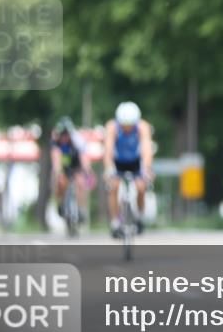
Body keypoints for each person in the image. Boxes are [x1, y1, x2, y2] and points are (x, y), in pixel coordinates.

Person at [103, 101, 154, 238]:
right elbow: (108, 150)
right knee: (113, 186)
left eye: (130, 125)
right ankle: (115, 222)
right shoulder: (112, 127)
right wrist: (108, 168)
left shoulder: (143, 127)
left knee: (141, 187)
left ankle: (140, 217)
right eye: (124, 125)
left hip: (136, 162)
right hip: (118, 161)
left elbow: (147, 149)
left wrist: (147, 169)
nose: (127, 128)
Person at [51, 117, 92, 222]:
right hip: (63, 166)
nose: (64, 137)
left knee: (81, 183)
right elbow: (56, 158)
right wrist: (58, 173)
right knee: (60, 182)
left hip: (75, 164)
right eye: (62, 135)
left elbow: (84, 157)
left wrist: (87, 172)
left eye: (66, 134)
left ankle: (81, 208)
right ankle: (61, 202)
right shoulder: (55, 141)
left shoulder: (77, 140)